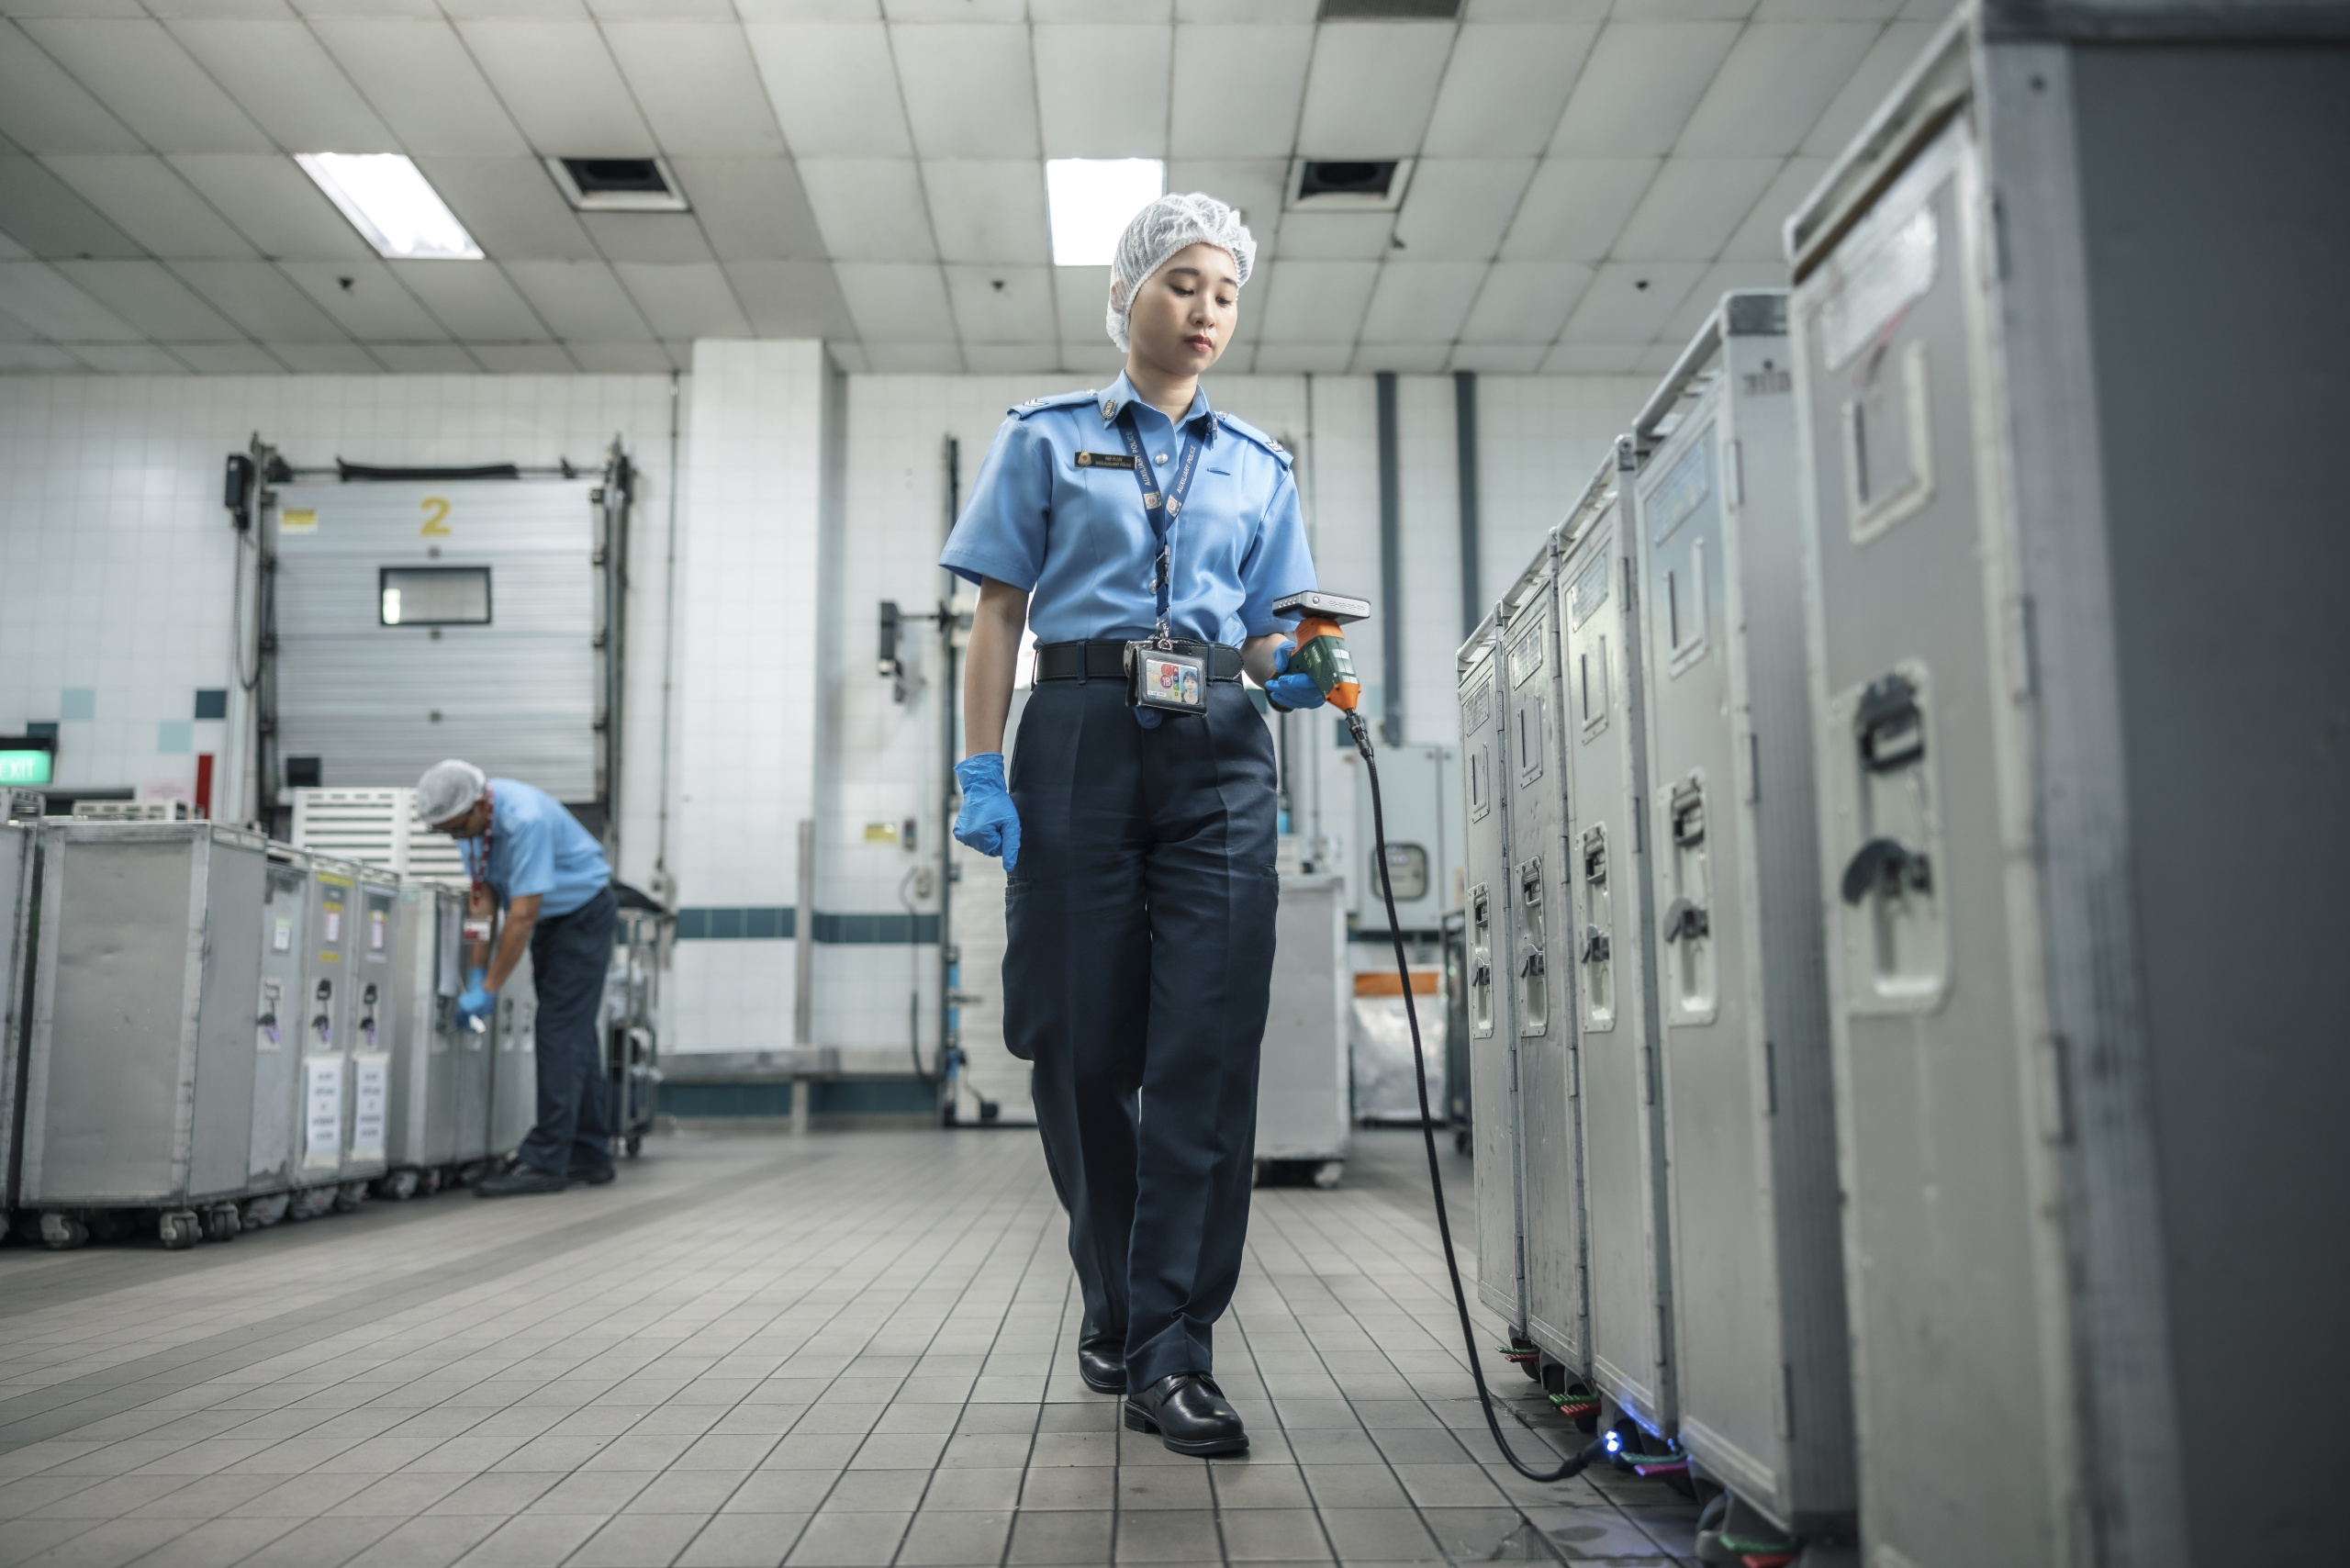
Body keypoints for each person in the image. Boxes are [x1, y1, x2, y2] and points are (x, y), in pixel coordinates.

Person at [940, 193, 1330, 1457]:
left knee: (1208, 1052)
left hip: (1218, 749)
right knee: (1077, 1042)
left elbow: (1273, 625)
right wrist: (978, 769)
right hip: (1079, 736)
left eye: (1226, 291)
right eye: (1183, 284)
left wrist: (1294, 670)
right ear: (1127, 297)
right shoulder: (1045, 441)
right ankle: (1109, 1296)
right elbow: (998, 613)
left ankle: (1173, 1341)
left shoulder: (1261, 467)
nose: (1207, 310)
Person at [414, 759, 618, 1198]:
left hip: (581, 915)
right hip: (553, 921)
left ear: (479, 806)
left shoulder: (526, 819)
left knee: (558, 1031)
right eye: (446, 832)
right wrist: (475, 969)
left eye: (456, 829)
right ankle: (589, 1152)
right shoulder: (472, 824)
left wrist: (490, 989)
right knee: (575, 1035)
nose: (454, 838)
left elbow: (521, 916)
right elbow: (482, 901)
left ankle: (546, 1161)